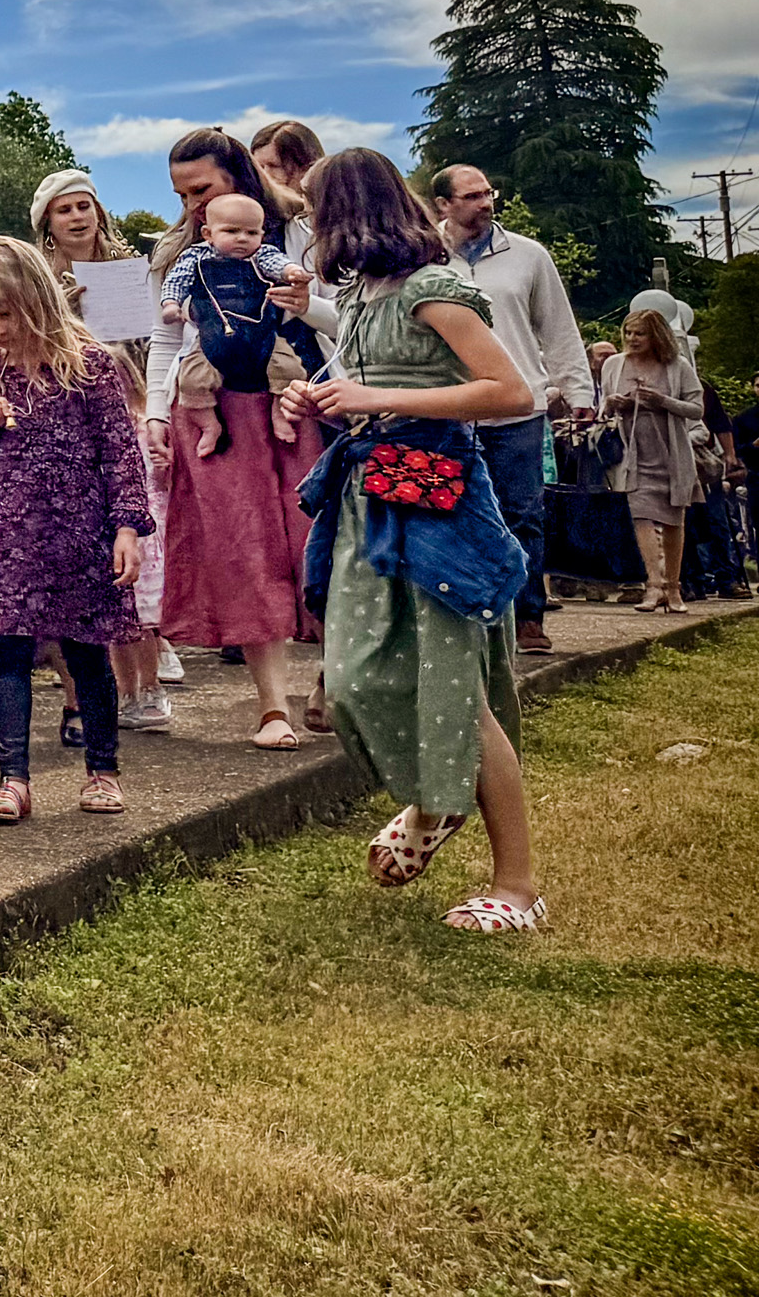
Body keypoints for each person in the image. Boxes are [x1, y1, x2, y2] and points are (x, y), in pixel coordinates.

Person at [280, 149, 544, 931]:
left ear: (345, 210)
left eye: (313, 210)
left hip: (437, 499)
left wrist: (372, 395)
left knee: (459, 695)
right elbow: (369, 385)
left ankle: (518, 886)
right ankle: (439, 799)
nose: (309, 225)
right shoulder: (359, 294)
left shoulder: (433, 289)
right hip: (369, 496)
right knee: (352, 683)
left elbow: (510, 392)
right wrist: (318, 396)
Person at [0, 239, 151, 823]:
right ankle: (12, 778)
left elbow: (120, 453)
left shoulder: (91, 366)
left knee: (87, 653)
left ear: (36, 299)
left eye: (3, 314)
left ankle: (103, 770)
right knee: (6, 652)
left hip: (79, 535)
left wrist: (127, 528)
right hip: (9, 537)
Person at [143, 129, 327, 749]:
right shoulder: (180, 251)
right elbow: (167, 337)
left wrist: (306, 303)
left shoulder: (302, 235)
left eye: (201, 188)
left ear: (239, 176)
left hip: (302, 398)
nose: (191, 204)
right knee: (243, 545)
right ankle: (273, 706)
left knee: (315, 540)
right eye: (181, 194)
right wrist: (156, 413)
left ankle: (332, 676)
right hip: (214, 406)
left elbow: (343, 316)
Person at [422, 163, 592, 655]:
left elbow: (557, 326)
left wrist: (578, 391)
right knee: (450, 509)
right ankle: (467, 614)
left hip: (519, 407)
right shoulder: (425, 255)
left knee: (522, 513)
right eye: (472, 196)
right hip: (450, 404)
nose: (485, 203)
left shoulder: (528, 255)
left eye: (487, 193)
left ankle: (528, 616)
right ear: (443, 204)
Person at [31, 166, 179, 717]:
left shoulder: (129, 269)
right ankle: (106, 687)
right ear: (47, 222)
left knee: (141, 536)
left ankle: (151, 668)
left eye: (83, 206)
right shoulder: (40, 280)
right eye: (64, 209)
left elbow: (155, 344)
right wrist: (63, 312)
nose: (76, 217)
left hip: (132, 408)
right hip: (72, 420)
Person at [158, 193, 323, 458]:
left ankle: (279, 411)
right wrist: (170, 304)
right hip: (213, 336)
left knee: (290, 368)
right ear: (208, 233)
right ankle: (209, 424)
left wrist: (292, 272)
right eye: (232, 231)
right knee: (192, 379)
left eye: (251, 232)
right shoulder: (195, 257)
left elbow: (277, 263)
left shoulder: (261, 255)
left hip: (261, 335)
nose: (242, 238)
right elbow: (176, 280)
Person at [596, 307, 707, 617]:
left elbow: (696, 409)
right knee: (640, 516)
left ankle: (674, 587)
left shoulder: (677, 366)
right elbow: (603, 409)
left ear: (656, 335)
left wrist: (661, 401)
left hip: (671, 453)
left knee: (673, 520)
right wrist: (613, 403)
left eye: (640, 333)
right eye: (628, 332)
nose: (632, 338)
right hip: (632, 454)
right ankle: (653, 585)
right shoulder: (614, 365)